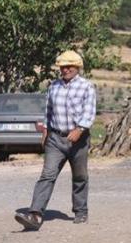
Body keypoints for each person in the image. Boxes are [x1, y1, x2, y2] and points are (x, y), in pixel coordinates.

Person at [14, 50, 97, 231]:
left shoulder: (86, 86)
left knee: (80, 176)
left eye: (69, 66)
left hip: (78, 140)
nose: (65, 69)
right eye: (62, 67)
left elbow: (89, 112)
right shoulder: (54, 86)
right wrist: (45, 129)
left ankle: (81, 211)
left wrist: (80, 129)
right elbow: (48, 111)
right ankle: (35, 214)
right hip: (56, 138)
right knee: (48, 175)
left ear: (77, 67)